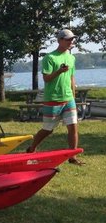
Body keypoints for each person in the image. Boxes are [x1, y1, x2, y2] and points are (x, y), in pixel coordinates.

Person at [26, 29, 84, 165]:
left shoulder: (71, 57)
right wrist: (59, 71)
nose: (71, 42)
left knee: (73, 127)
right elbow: (46, 78)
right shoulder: (49, 58)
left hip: (68, 99)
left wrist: (73, 96)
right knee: (48, 129)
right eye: (68, 39)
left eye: (72, 39)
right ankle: (32, 148)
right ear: (60, 40)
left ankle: (72, 156)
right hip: (53, 99)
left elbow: (71, 77)